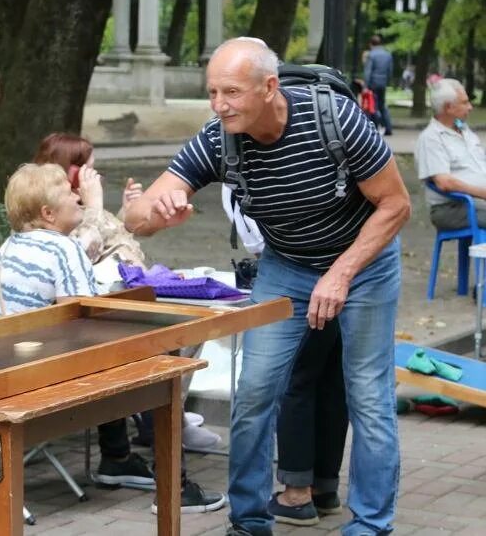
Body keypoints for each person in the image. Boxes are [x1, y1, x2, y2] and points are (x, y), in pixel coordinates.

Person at [124, 37, 410, 536]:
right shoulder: (219, 137)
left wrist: (340, 274)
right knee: (254, 390)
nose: (218, 105)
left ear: (269, 86)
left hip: (365, 264)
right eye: (212, 92)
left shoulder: (337, 120)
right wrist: (153, 214)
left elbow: (396, 205)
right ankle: (250, 521)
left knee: (368, 393)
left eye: (231, 92)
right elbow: (140, 215)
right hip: (287, 265)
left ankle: (371, 525)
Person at [0, 162, 227, 515]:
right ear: (48, 213)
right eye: (69, 192)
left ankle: (117, 458)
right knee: (160, 365)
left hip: (0, 367)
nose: (78, 195)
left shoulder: (10, 247)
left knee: (126, 358)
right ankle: (175, 486)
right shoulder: (63, 250)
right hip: (36, 378)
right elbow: (86, 319)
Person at [33, 133, 223, 454]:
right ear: (69, 173)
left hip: (110, 309)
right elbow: (80, 255)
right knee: (177, 333)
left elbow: (107, 246)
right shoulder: (51, 214)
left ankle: (166, 416)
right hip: (84, 326)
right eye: (90, 171)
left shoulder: (76, 209)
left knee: (189, 326)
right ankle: (164, 422)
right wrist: (94, 206)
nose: (97, 178)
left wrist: (124, 215)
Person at [222, 186, 349, 527]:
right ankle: (324, 487)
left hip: (294, 270)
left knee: (297, 379)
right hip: (345, 266)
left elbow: (258, 236)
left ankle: (296, 493)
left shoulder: (238, 160)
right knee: (329, 377)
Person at [415, 78, 486, 231]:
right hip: (452, 208)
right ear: (448, 107)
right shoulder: (431, 138)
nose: (470, 107)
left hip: (478, 204)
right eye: (465, 102)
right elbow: (444, 183)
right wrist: (483, 193)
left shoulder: (465, 132)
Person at [364, 35, 393, 135]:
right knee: (382, 105)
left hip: (373, 84)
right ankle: (388, 127)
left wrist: (365, 86)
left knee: (374, 106)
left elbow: (368, 72)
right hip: (383, 83)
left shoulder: (371, 55)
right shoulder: (387, 54)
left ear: (371, 44)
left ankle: (375, 127)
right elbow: (390, 71)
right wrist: (386, 81)